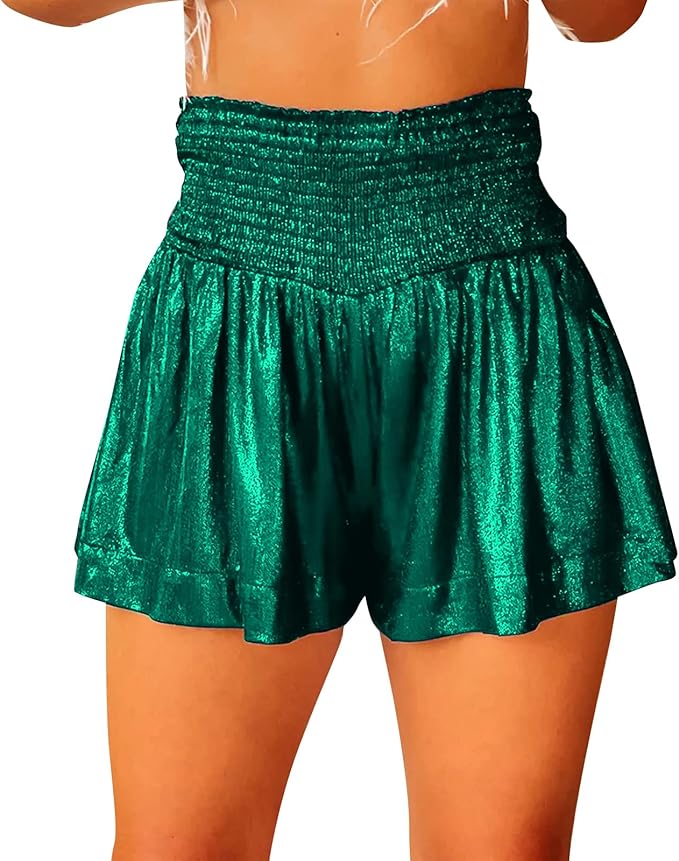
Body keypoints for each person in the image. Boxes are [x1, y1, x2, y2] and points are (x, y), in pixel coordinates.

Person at [4, 1, 676, 858]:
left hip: (484, 304)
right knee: (177, 845)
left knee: (499, 848)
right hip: (238, 300)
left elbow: (605, 17)